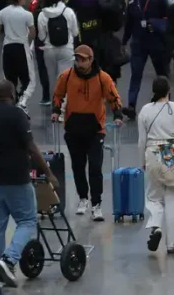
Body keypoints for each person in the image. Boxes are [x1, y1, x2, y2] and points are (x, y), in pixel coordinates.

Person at [0, 80, 59, 287]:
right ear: (12, 94)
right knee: (27, 220)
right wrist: (48, 173)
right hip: (18, 178)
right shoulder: (17, 115)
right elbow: (31, 147)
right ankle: (9, 260)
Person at [51, 45, 123, 221]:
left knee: (95, 167)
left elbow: (114, 96)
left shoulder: (102, 78)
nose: (80, 62)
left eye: (83, 59)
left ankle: (96, 204)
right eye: (77, 59)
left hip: (95, 130)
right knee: (77, 166)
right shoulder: (67, 76)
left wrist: (118, 114)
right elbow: (58, 94)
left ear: (91, 60)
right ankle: (82, 198)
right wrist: (55, 110)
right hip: (73, 129)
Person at [138, 77, 174, 255]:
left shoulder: (145, 111)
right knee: (173, 198)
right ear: (168, 91)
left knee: (154, 197)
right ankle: (171, 244)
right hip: (172, 151)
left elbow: (141, 141)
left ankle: (156, 227)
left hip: (153, 153)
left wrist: (142, 160)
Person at [122, 0, 170, 119]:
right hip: (138, 44)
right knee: (135, 74)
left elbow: (167, 20)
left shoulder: (159, 0)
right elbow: (128, 24)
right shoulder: (131, 1)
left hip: (156, 43)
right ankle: (131, 105)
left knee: (162, 75)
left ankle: (166, 103)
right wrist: (124, 42)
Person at [0, 0, 37, 112]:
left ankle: (13, 102)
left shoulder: (2, 12)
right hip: (21, 48)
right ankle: (22, 101)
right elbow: (33, 33)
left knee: (10, 80)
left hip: (7, 49)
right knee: (29, 80)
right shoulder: (27, 15)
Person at [37, 0, 80, 100]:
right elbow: (75, 33)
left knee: (53, 80)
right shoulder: (69, 12)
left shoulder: (42, 14)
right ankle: (64, 108)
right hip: (67, 50)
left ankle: (55, 107)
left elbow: (41, 37)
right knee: (65, 79)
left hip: (49, 50)